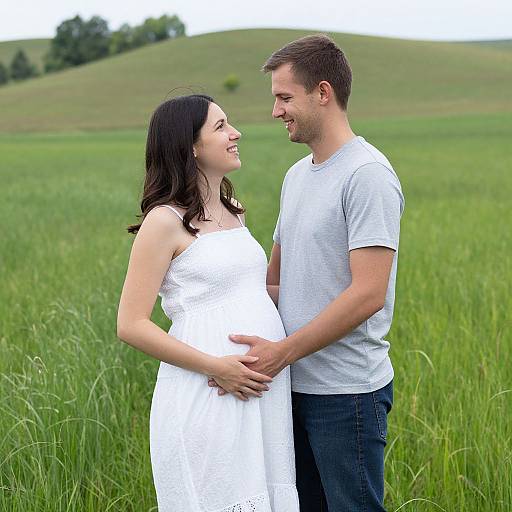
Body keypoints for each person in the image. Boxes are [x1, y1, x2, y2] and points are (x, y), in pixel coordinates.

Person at [213, 35, 405, 511]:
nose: (276, 111)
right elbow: (276, 284)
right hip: (290, 388)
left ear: (323, 92)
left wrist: (281, 353)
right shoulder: (297, 176)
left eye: (284, 97)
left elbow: (368, 295)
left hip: (347, 394)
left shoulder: (368, 175)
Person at [117, 94, 299, 512]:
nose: (236, 133)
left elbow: (249, 293)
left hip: (261, 392)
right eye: (220, 127)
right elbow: (130, 323)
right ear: (190, 146)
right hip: (209, 391)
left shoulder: (234, 212)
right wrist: (218, 367)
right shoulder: (164, 221)